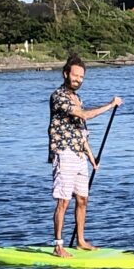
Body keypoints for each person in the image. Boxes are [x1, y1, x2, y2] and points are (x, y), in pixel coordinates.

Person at [48, 53, 122, 257]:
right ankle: (58, 246)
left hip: (79, 156)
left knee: (82, 199)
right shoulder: (59, 97)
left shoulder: (77, 97)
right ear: (65, 74)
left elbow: (81, 130)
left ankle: (80, 240)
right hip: (64, 153)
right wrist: (109, 105)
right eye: (75, 75)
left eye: (81, 77)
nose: (78, 80)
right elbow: (83, 115)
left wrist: (91, 157)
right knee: (63, 201)